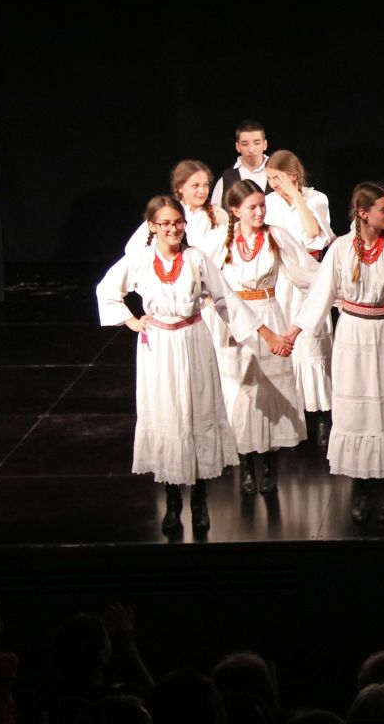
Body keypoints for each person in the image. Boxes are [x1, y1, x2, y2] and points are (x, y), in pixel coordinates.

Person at [98, 196, 288, 534]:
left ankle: (200, 502)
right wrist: (131, 321)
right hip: (159, 346)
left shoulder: (196, 258)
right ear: (153, 226)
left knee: (196, 413)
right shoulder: (140, 260)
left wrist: (265, 333)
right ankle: (173, 502)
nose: (173, 229)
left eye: (178, 222)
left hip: (194, 340)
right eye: (165, 223)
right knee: (169, 415)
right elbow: (107, 290)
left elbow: (227, 300)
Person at [286, 183, 384, 524]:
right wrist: (294, 332)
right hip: (354, 333)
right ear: (363, 213)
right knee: (358, 411)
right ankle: (360, 485)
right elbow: (320, 293)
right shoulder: (342, 248)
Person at [203, 180, 320, 495]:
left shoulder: (276, 236)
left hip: (268, 314)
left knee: (269, 390)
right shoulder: (218, 240)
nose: (259, 212)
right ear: (235, 210)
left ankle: (270, 465)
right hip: (233, 321)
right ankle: (246, 465)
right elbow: (200, 276)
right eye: (251, 207)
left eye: (262, 205)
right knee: (240, 391)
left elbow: (309, 273)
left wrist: (337, 293)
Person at [263, 150, 337, 446]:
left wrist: (295, 196)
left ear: (293, 176)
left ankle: (322, 416)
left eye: (278, 178)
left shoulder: (316, 199)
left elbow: (314, 234)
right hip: (281, 278)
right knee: (288, 344)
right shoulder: (268, 203)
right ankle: (294, 417)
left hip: (310, 276)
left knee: (311, 342)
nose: (273, 185)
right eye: (270, 179)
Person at [124, 160, 226, 253]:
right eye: (195, 186)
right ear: (180, 187)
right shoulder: (166, 213)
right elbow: (132, 248)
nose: (202, 191)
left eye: (206, 185)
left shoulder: (218, 214)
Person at [210, 119, 271, 207]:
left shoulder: (279, 173)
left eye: (256, 143)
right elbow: (215, 212)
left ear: (265, 144)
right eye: (245, 144)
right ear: (237, 147)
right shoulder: (226, 179)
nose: (251, 149)